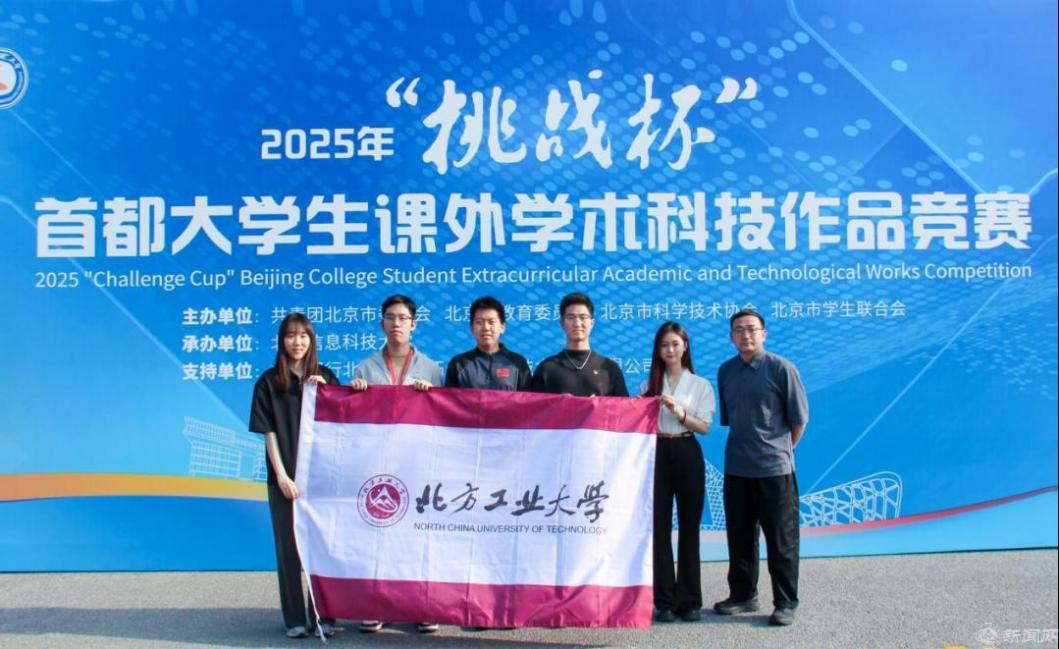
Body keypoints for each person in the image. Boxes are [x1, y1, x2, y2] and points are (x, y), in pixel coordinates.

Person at [350, 294, 442, 634]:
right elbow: (355, 419)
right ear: (382, 324)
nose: (396, 323)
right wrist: (356, 393)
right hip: (380, 466)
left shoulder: (432, 369)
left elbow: (443, 416)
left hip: (419, 464)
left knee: (419, 536)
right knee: (378, 536)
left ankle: (421, 607)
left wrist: (432, 394)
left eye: (402, 318)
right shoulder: (365, 369)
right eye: (390, 317)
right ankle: (377, 606)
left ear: (414, 324)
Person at [713, 309, 808, 626]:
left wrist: (780, 450)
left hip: (774, 470)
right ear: (731, 337)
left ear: (763, 334)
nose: (746, 335)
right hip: (737, 468)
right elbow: (731, 420)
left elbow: (798, 420)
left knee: (781, 540)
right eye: (739, 330)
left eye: (752, 329)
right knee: (740, 538)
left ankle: (785, 602)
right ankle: (743, 595)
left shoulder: (781, 368)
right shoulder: (726, 371)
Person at [248, 312, 338, 639]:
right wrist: (283, 476)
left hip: (321, 481)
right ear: (281, 341)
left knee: (322, 550)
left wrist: (328, 393)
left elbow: (341, 424)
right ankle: (295, 619)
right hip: (284, 481)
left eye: (303, 336)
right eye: (290, 335)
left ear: (311, 340)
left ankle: (324, 616)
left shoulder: (325, 376)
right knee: (288, 551)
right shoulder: (269, 381)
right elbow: (268, 432)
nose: (296, 342)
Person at [641, 322, 714, 623]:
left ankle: (690, 600)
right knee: (658, 528)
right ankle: (664, 601)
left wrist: (679, 412)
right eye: (664, 345)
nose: (670, 350)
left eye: (675, 344)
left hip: (687, 450)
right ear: (657, 350)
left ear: (685, 346)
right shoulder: (648, 386)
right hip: (657, 452)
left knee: (689, 527)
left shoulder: (700, 385)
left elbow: (704, 426)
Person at [531, 292, 628, 397]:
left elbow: (622, 406)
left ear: (592, 323)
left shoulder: (610, 369)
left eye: (583, 317)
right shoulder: (546, 368)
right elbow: (535, 406)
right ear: (562, 323)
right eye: (571, 317)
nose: (577, 324)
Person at [445, 296, 531, 391]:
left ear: (502, 327)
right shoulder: (458, 364)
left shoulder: (518, 363)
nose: (486, 328)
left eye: (491, 322)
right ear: (472, 328)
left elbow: (528, 399)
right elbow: (448, 399)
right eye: (479, 322)